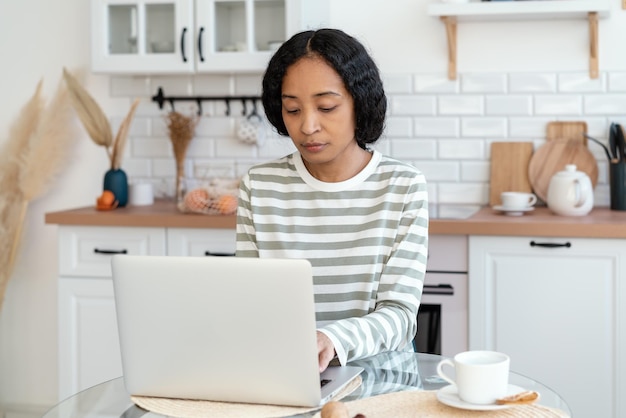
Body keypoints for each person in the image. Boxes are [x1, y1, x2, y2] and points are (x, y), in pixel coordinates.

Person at [236, 28, 428, 373]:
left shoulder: (402, 186)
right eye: (292, 110)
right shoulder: (260, 186)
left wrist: (330, 339)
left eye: (326, 107)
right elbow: (249, 302)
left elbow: (400, 316)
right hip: (285, 373)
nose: (308, 126)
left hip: (380, 379)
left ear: (360, 102)